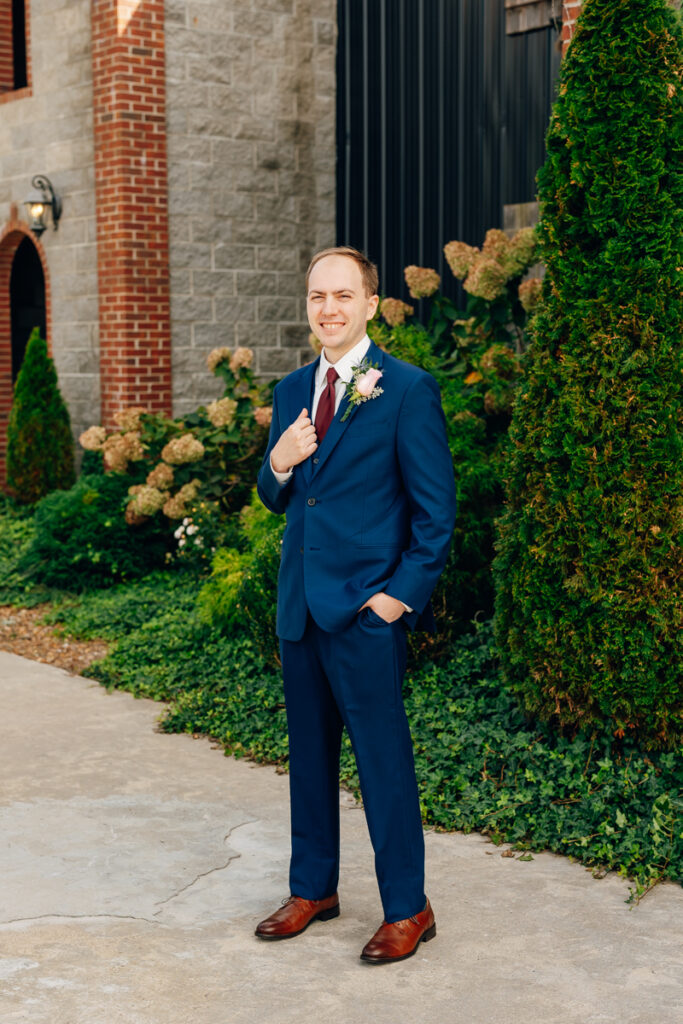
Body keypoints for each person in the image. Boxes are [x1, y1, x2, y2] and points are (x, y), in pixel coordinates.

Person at [255, 246, 456, 964]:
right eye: (317, 297)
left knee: (382, 763)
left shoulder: (404, 390)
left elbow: (434, 515)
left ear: (370, 304)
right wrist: (276, 463)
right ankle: (314, 889)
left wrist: (395, 601)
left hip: (366, 615)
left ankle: (408, 906)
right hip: (299, 611)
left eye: (343, 295)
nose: (328, 309)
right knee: (307, 759)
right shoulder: (289, 392)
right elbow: (282, 495)